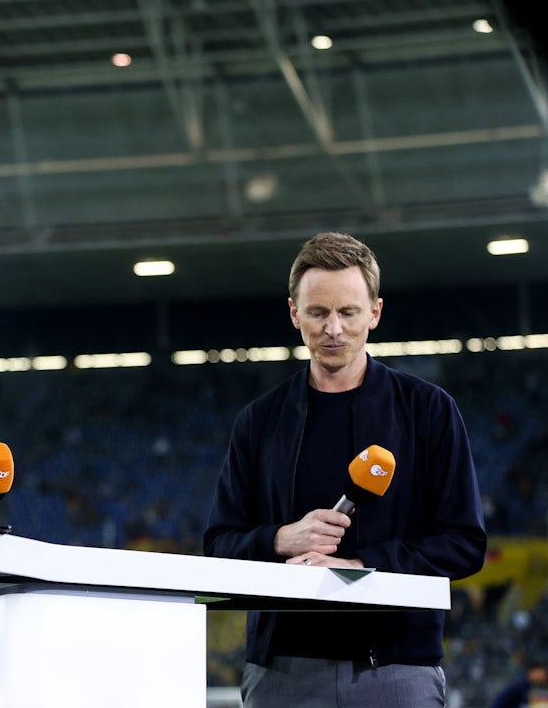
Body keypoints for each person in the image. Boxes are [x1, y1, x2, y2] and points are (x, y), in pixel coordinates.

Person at [203, 231, 487, 707]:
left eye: (348, 312)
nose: (333, 328)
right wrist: (280, 539)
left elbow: (464, 544)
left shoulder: (429, 411)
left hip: (398, 669)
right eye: (318, 312)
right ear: (295, 314)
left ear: (374, 312)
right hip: (282, 672)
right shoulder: (259, 420)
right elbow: (217, 545)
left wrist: (359, 567)